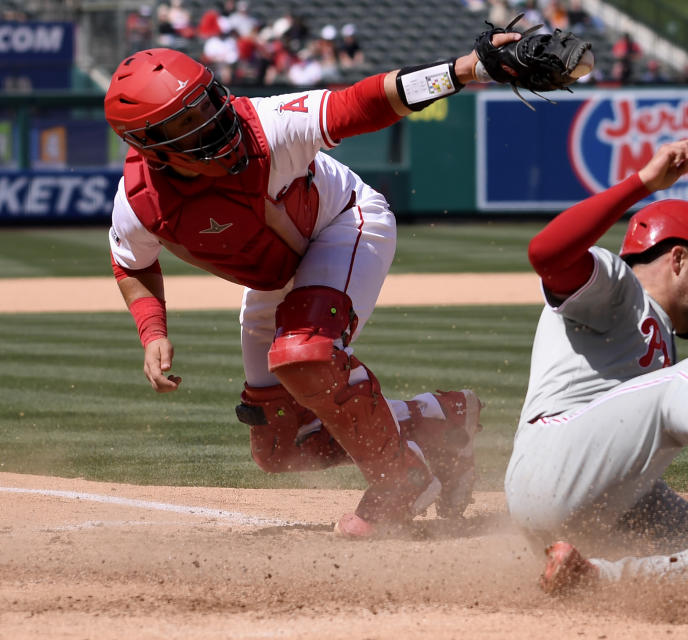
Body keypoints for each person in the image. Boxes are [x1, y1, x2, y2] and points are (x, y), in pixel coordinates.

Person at [103, 35, 518, 538]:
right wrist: (153, 332)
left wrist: (461, 71)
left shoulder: (269, 125)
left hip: (343, 222)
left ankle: (400, 480)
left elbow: (362, 102)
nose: (212, 124)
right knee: (281, 449)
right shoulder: (141, 201)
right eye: (185, 124)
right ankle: (440, 418)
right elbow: (131, 262)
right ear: (152, 147)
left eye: (205, 105)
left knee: (306, 354)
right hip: (275, 276)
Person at [503, 139, 688, 594]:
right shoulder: (615, 284)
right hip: (551, 466)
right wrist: (643, 183)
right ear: (678, 258)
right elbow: (546, 254)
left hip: (605, 501)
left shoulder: (660, 334)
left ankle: (590, 576)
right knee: (683, 383)